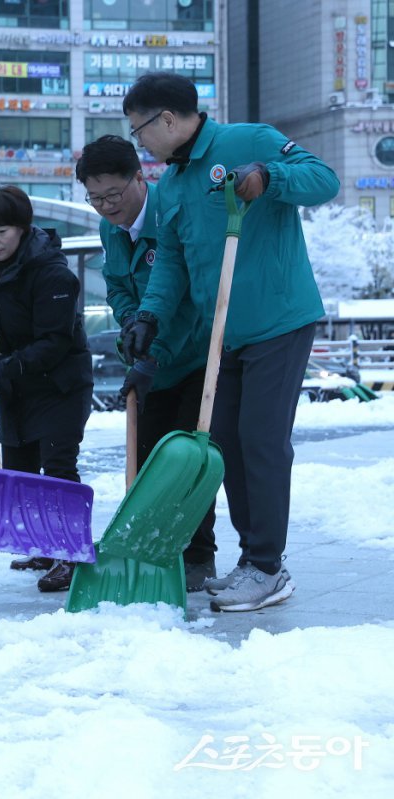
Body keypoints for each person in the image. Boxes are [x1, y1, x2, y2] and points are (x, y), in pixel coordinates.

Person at [121, 71, 339, 611]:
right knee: (227, 446)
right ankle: (254, 561)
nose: (139, 142)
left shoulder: (248, 141)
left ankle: (267, 565)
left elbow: (324, 179)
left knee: (261, 440)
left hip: (278, 318)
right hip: (224, 334)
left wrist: (270, 175)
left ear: (167, 120)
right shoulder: (171, 184)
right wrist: (149, 315)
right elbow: (170, 260)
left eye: (138, 130)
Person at [75, 135, 219, 591]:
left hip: (196, 359)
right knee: (146, 460)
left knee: (187, 460)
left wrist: (152, 351)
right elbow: (116, 285)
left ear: (140, 177)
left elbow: (186, 304)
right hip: (151, 362)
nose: (105, 206)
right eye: (95, 198)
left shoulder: (174, 216)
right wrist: (133, 327)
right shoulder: (108, 229)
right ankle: (154, 553)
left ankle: (199, 556)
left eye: (113, 195)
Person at [0, 186, 93, 593]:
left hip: (60, 384)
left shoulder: (52, 273)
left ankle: (71, 554)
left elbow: (55, 341)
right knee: (20, 470)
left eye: (0, 231)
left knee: (57, 471)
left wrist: (6, 367)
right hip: (17, 383)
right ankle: (46, 546)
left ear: (22, 228)